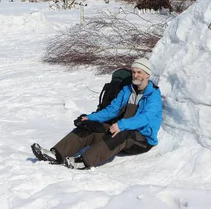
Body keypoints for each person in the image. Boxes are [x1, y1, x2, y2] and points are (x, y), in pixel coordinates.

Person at [31, 57, 162, 169]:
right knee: (91, 126)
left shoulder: (153, 95)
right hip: (122, 129)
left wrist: (121, 125)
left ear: (147, 75)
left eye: (139, 72)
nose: (135, 75)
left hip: (142, 139)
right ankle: (56, 154)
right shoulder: (127, 90)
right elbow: (111, 110)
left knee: (122, 133)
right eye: (133, 72)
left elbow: (144, 118)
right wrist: (89, 118)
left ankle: (84, 161)